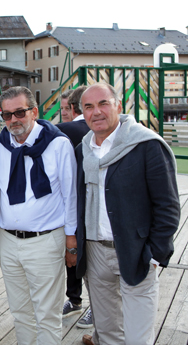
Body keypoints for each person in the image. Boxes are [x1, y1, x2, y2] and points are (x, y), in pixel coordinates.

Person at [76, 83, 180, 345]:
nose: (96, 112)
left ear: (118, 106)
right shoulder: (84, 149)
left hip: (137, 250)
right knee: (108, 332)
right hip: (95, 251)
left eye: (103, 104)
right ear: (82, 113)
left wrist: (156, 254)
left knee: (137, 337)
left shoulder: (146, 145)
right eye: (89, 107)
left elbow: (167, 205)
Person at [0, 86, 77, 345]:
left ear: (34, 111)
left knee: (48, 315)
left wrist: (71, 240)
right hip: (8, 241)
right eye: (6, 115)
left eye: (19, 112)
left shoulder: (58, 144)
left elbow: (70, 195)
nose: (13, 120)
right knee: (20, 312)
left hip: (45, 240)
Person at [56, 86, 92, 325]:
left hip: (72, 205)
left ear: (71, 107)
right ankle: (87, 304)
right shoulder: (113, 129)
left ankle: (78, 300)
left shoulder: (61, 130)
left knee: (74, 252)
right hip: (97, 205)